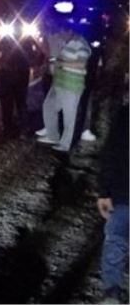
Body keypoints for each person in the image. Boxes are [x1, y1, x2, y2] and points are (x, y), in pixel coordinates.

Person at [35, 19, 91, 152]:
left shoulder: (81, 43)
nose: (61, 34)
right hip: (60, 84)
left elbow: (81, 64)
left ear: (70, 31)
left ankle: (65, 145)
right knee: (49, 106)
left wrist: (61, 64)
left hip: (72, 86)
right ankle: (53, 136)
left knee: (69, 116)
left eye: (63, 32)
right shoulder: (68, 43)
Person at [97, 104, 128, 303]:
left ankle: (112, 293)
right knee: (116, 240)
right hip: (123, 191)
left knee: (116, 241)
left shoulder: (126, 114)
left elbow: (111, 153)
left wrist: (104, 192)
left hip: (123, 191)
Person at [0, 30, 43, 138]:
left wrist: (4, 64)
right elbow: (40, 54)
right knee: (18, 103)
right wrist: (32, 63)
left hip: (11, 75)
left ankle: (11, 129)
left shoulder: (12, 39)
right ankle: (18, 129)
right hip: (14, 75)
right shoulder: (25, 39)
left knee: (11, 104)